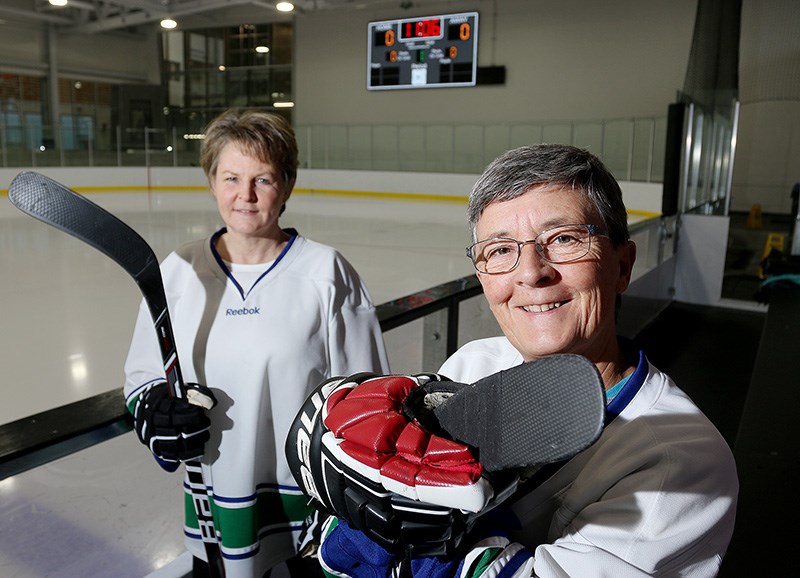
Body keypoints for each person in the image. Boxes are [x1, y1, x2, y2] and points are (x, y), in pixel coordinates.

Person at [315, 144, 738, 577]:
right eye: (500, 250)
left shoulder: (679, 459)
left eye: (564, 239)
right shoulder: (472, 365)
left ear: (623, 266)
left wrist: (384, 531)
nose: (531, 272)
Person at [123, 109, 389, 577]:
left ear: (286, 185)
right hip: (214, 498)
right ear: (211, 180)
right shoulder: (178, 271)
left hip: (310, 503)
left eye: (262, 179)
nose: (244, 195)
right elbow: (144, 372)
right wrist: (155, 410)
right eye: (230, 177)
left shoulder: (327, 273)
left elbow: (366, 399)